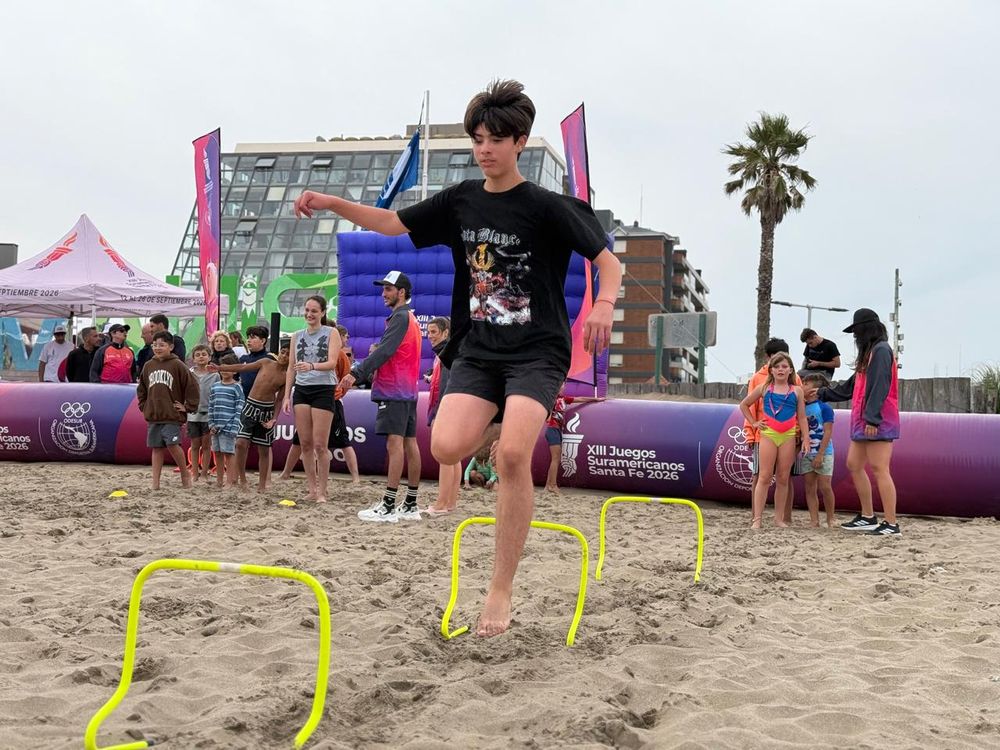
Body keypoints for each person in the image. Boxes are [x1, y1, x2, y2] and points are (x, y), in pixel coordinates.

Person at [297, 79, 621, 636]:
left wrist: (604, 307)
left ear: (519, 141)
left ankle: (500, 589)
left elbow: (607, 263)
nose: (485, 148)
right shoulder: (460, 200)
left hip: (537, 351)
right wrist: (332, 202)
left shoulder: (548, 207)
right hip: (479, 351)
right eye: (477, 139)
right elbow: (392, 223)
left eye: (496, 138)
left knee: (515, 457)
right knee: (445, 444)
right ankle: (502, 417)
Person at [338, 271, 423, 523]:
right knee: (410, 444)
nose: (383, 293)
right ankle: (410, 503)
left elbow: (385, 350)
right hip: (407, 390)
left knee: (395, 446)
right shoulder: (411, 318)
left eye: (388, 289)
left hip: (394, 389)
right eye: (383, 288)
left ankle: (388, 504)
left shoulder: (400, 317)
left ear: (402, 292)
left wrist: (356, 373)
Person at [819, 308, 901, 535]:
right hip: (863, 419)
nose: (855, 336)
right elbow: (851, 386)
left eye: (857, 331)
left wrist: (873, 419)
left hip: (878, 420)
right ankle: (868, 516)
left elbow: (880, 386)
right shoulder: (870, 353)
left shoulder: (882, 351)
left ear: (866, 329)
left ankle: (892, 523)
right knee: (854, 465)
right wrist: (822, 394)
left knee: (879, 468)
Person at [279, 324, 360, 485]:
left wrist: (338, 394)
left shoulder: (340, 355)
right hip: (305, 393)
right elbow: (291, 368)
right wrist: (286, 396)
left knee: (338, 441)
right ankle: (287, 473)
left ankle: (355, 477)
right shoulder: (301, 339)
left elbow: (345, 377)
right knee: (301, 441)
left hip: (329, 398)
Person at [282, 295, 341, 504]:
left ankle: (323, 491)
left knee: (320, 444)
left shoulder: (331, 333)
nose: (309, 314)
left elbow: (332, 362)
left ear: (323, 313)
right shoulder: (296, 336)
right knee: (305, 443)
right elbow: (290, 368)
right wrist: (287, 396)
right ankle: (312, 488)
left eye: (314, 311)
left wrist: (312, 366)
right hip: (302, 389)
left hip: (323, 388)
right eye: (307, 310)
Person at [209, 340, 290, 492]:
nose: (283, 356)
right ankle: (242, 479)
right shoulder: (266, 362)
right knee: (240, 444)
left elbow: (279, 400)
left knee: (264, 449)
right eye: (282, 352)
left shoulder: (287, 375)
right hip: (250, 405)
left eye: (287, 354)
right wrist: (220, 367)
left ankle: (262, 485)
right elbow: (243, 367)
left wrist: (274, 419)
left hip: (266, 411)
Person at [740, 353, 809, 529]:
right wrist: (754, 423)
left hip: (788, 436)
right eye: (777, 366)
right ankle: (757, 519)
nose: (780, 369)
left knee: (783, 478)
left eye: (784, 366)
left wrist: (806, 438)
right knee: (764, 476)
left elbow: (802, 417)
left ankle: (779, 519)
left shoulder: (797, 391)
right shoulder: (764, 387)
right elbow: (744, 404)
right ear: (771, 369)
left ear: (790, 370)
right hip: (768, 435)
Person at [136, 331, 199, 490]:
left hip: (172, 415)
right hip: (154, 415)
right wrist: (144, 406)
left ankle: (185, 473)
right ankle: (155, 482)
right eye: (155, 345)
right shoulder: (148, 365)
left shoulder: (177, 365)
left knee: (172, 444)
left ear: (170, 347)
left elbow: (192, 386)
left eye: (162, 345)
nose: (158, 348)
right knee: (156, 448)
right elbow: (141, 389)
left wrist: (188, 407)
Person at [421, 317, 462, 516]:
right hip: (453, 407)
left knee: (445, 456)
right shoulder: (448, 353)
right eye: (428, 332)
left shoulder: (447, 353)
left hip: (446, 407)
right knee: (453, 457)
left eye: (434, 332)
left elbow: (447, 385)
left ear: (446, 332)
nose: (430, 336)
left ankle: (441, 503)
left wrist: (442, 411)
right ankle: (450, 502)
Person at [798, 372, 837, 528]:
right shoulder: (801, 407)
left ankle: (830, 518)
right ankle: (814, 520)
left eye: (806, 384)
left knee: (825, 487)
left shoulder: (825, 408)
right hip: (807, 453)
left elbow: (828, 432)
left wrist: (820, 454)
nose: (802, 386)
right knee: (809, 487)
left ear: (814, 390)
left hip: (824, 453)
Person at [209, 354, 245, 487]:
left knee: (229, 453)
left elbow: (239, 409)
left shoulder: (237, 387)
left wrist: (234, 427)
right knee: (217, 453)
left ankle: (230, 480)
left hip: (229, 427)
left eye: (228, 368)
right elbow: (211, 406)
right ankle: (219, 480)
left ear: (235, 370)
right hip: (215, 427)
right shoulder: (215, 386)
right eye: (223, 367)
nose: (225, 371)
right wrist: (211, 424)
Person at [186, 344, 219, 482]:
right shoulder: (189, 374)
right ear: (193, 358)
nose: (201, 357)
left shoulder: (215, 375)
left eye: (204, 354)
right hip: (192, 414)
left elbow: (217, 394)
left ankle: (204, 473)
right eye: (198, 355)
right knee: (194, 445)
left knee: (206, 446)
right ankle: (194, 472)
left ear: (209, 357)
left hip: (209, 415)